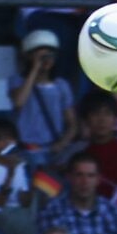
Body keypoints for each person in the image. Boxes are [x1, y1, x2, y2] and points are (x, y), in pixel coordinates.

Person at [9, 30, 76, 168]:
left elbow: (72, 123)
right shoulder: (17, 81)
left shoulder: (61, 85)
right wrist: (35, 68)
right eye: (40, 55)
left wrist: (62, 144)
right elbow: (18, 102)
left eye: (50, 55)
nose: (46, 59)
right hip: (28, 149)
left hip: (53, 148)